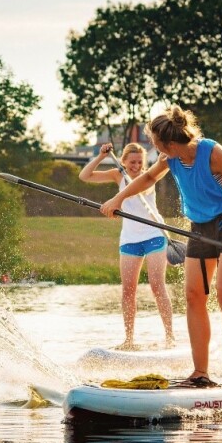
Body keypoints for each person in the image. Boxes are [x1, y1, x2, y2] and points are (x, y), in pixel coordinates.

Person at [100, 107, 222, 387]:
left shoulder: (213, 152)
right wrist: (119, 199)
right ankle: (200, 373)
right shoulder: (169, 158)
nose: (153, 147)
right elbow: (147, 179)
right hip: (199, 226)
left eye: (155, 142)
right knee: (194, 295)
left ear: (169, 144)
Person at [80, 142, 175, 349]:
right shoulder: (117, 174)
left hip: (154, 234)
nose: (136, 166)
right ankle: (129, 340)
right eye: (132, 162)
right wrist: (100, 156)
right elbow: (85, 176)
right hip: (130, 239)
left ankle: (170, 338)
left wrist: (116, 200)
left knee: (157, 286)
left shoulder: (149, 175)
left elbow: (138, 189)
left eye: (140, 162)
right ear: (123, 161)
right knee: (128, 291)